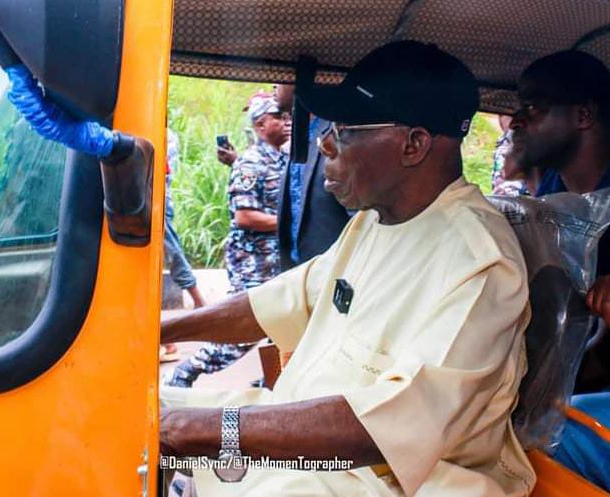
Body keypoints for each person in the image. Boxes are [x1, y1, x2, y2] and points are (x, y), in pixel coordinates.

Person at [160, 41, 535, 497]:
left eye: (346, 131)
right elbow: (277, 302)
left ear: (413, 144)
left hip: (394, 481)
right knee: (137, 407)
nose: (326, 146)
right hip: (310, 443)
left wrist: (213, 431)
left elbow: (382, 426)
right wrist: (158, 330)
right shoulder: (373, 221)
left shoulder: (481, 263)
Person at [508, 49, 610, 489]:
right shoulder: (546, 197)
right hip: (564, 375)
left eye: (532, 109)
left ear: (584, 115)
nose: (515, 122)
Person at [166, 92, 290, 387]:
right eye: (277, 117)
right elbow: (244, 217)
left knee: (283, 326)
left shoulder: (283, 158)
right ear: (260, 125)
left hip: (277, 261)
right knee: (244, 330)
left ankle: (271, 383)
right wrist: (290, 225)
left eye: (285, 116)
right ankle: (187, 372)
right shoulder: (250, 162)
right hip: (253, 262)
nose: (286, 122)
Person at [273, 84, 353, 271]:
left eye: (282, 76)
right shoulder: (300, 132)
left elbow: (360, 218)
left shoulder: (338, 131)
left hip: (334, 274)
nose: (274, 85)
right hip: (299, 272)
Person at [160, 128, 206, 362]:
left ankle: (198, 300)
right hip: (150, 199)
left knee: (171, 252)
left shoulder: (164, 136)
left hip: (153, 200)